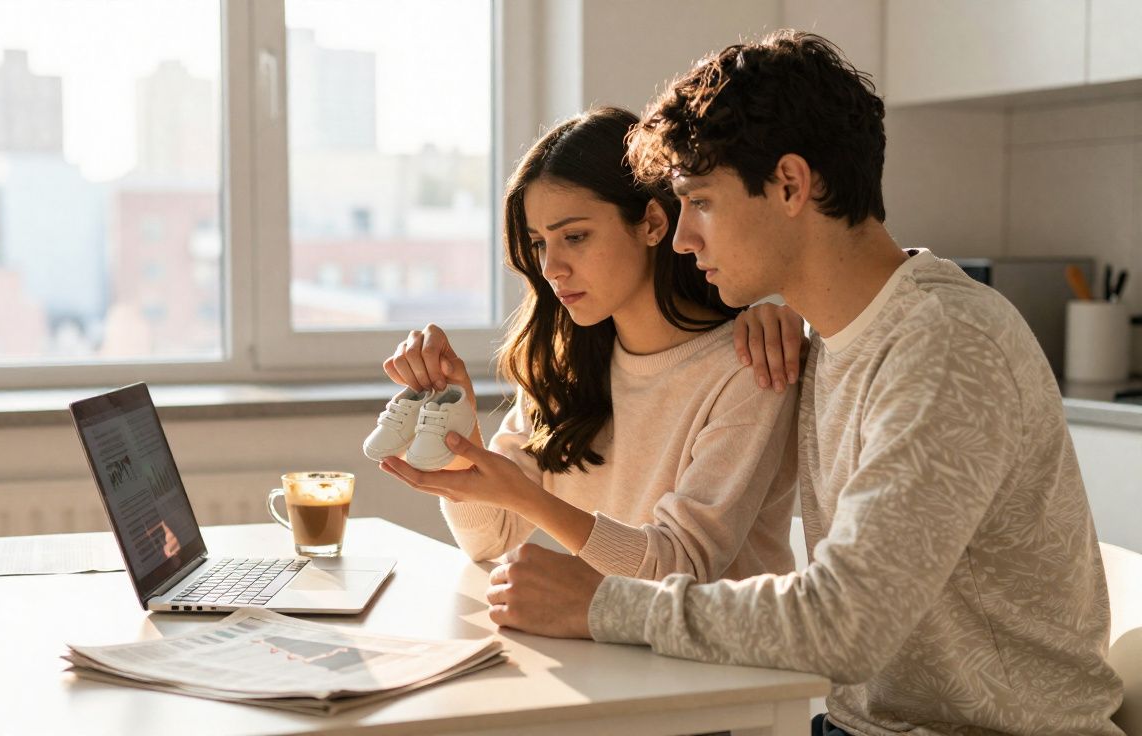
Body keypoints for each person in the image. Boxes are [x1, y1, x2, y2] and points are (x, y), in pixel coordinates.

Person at [474, 31, 1125, 736]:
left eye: (700, 201)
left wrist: (602, 605)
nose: (683, 238)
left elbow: (845, 623)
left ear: (789, 184)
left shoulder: (945, 344)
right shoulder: (824, 340)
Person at [377, 106, 805, 585]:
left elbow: (679, 567)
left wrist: (527, 497)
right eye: (540, 243)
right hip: (604, 632)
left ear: (652, 224)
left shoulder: (752, 367)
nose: (551, 268)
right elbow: (489, 538)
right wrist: (458, 429)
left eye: (575, 236)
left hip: (708, 638)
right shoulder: (567, 365)